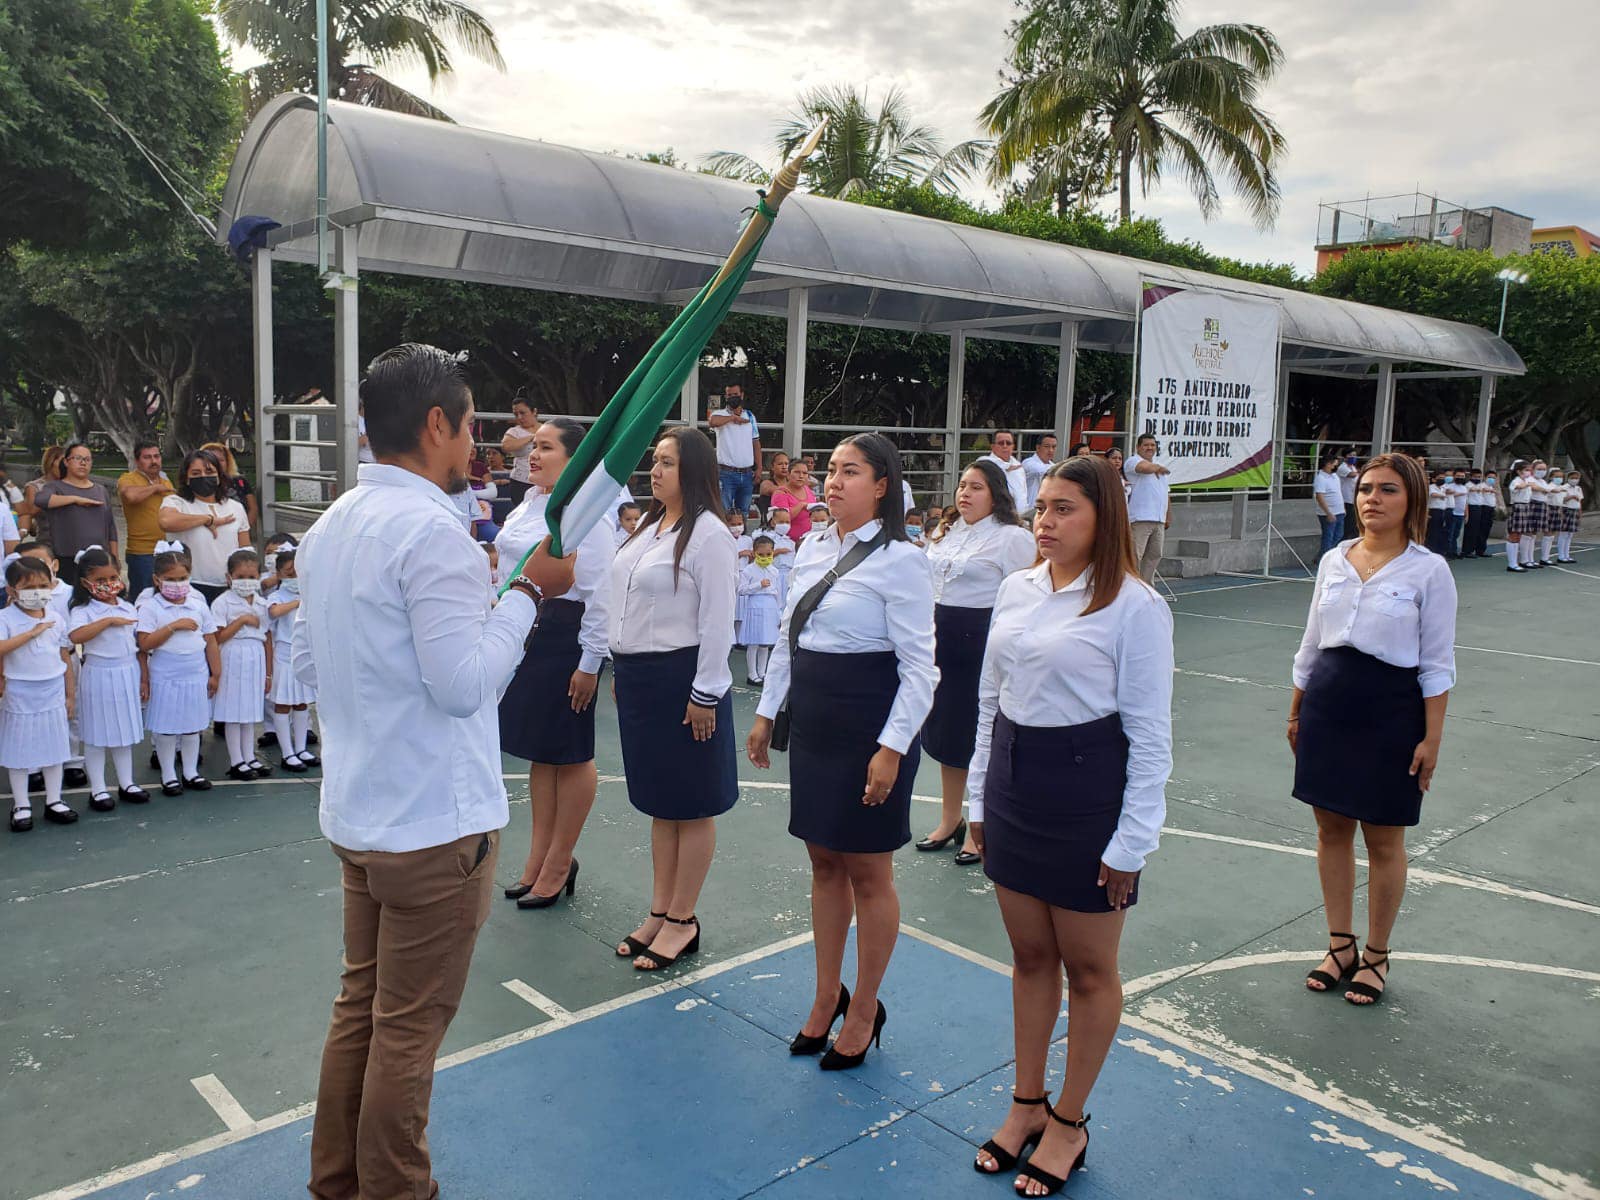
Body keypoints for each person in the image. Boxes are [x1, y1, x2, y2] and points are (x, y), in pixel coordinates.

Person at [293, 344, 573, 1200]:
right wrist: (527, 594)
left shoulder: (329, 528)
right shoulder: (433, 532)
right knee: (407, 1030)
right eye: (470, 423)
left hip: (359, 812)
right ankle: (394, 1189)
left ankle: (338, 1181)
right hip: (433, 825)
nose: (477, 441)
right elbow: (462, 687)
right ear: (437, 423)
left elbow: (305, 665)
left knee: (362, 1008)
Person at [966, 455, 1173, 1194]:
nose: (1045, 522)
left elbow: (1150, 738)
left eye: (1064, 510)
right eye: (1041, 508)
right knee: (1029, 957)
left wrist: (1131, 842)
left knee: (1088, 969)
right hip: (1015, 783)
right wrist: (977, 800)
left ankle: (1069, 1120)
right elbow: (990, 699)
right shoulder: (1017, 588)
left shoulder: (1135, 607)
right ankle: (1026, 1102)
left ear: (1103, 518)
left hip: (1087, 793)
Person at [747, 433, 937, 1071]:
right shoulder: (810, 547)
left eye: (849, 472)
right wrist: (767, 712)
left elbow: (920, 670)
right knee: (824, 862)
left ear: (882, 486)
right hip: (816, 724)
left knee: (869, 872)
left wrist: (892, 748)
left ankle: (865, 1007)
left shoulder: (903, 561)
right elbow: (789, 636)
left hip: (870, 726)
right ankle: (828, 994)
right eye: (830, 470)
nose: (833, 481)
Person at [1291, 453, 1455, 1008]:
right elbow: (1312, 642)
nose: (1372, 499)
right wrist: (1295, 710)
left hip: (1391, 712)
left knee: (1384, 839)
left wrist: (1432, 738)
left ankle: (1377, 954)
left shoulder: (1428, 570)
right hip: (1328, 706)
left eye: (1387, 490)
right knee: (1330, 829)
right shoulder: (1334, 559)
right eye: (1365, 489)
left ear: (1412, 500)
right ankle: (1340, 945)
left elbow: (1437, 663)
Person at [609, 427, 737, 971]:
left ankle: (683, 919)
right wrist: (621, 663)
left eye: (666, 462)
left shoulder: (709, 535)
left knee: (692, 801)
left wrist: (704, 693)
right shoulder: (649, 526)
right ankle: (660, 911)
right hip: (642, 678)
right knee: (662, 803)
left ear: (693, 470)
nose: (654, 470)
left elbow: (717, 621)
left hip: (683, 679)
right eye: (655, 460)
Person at [494, 418, 615, 910]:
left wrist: (590, 662)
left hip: (566, 634)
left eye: (546, 448)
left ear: (574, 459)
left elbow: (601, 593)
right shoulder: (530, 503)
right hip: (527, 631)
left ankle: (560, 861)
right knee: (541, 754)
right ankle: (538, 859)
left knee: (571, 752)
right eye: (534, 447)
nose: (534, 456)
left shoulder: (588, 515)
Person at [916, 461, 1035, 865]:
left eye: (976, 487)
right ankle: (951, 820)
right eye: (962, 485)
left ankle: (982, 825)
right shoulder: (945, 531)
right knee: (948, 735)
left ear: (996, 494)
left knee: (981, 735)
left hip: (981, 642)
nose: (965, 493)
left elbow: (1026, 597)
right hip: (940, 640)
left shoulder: (1011, 538)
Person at [66, 547, 149, 810]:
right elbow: (76, 636)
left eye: (113, 577)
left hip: (126, 672)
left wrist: (143, 677)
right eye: (100, 580)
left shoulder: (127, 606)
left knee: (124, 731)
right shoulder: (83, 610)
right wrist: (107, 621)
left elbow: (138, 645)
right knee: (96, 733)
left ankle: (127, 782)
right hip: (99, 673)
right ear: (85, 582)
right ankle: (98, 789)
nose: (108, 584)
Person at [135, 547, 220, 796]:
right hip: (166, 675)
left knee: (193, 725)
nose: (177, 584)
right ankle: (169, 775)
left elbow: (211, 641)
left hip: (195, 673)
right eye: (170, 579)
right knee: (167, 726)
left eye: (182, 578)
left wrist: (215, 673)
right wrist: (173, 626)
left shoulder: (198, 605)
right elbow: (144, 643)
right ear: (157, 580)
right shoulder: (151, 607)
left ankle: (191, 771)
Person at [1, 556, 77, 831]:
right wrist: (32, 633)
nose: (37, 592)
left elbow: (64, 657)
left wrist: (70, 694)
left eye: (43, 585)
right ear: (12, 590)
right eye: (29, 587)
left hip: (52, 690)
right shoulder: (5, 618)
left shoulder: (56, 618)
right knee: (19, 749)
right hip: (19, 691)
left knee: (54, 747)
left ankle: (54, 800)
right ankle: (21, 804)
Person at [158, 450, 251, 601]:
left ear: (219, 476)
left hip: (229, 587)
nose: (203, 476)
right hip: (190, 586)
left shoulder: (235, 507)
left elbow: (245, 550)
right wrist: (207, 520)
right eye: (195, 473)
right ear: (187, 478)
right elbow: (166, 522)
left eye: (209, 472)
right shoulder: (176, 502)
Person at [211, 549, 272, 780]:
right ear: (229, 577)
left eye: (251, 577)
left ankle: (249, 756)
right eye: (240, 577)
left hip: (255, 656)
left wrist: (268, 673)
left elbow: (267, 638)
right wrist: (243, 620)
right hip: (232, 654)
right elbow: (218, 637)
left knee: (249, 710)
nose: (246, 582)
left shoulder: (262, 604)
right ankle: (236, 760)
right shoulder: (222, 603)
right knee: (233, 710)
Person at [35, 442, 119, 585]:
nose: (83, 463)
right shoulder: (55, 487)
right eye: (78, 458)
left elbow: (110, 526)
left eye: (87, 459)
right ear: (66, 462)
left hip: (99, 559)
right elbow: (41, 500)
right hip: (67, 558)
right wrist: (75, 499)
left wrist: (115, 558)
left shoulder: (100, 490)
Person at [266, 548, 317, 772]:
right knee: (283, 703)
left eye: (298, 572)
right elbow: (274, 612)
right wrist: (297, 602)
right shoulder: (276, 596)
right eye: (289, 573)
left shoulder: (309, 593)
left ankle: (301, 748)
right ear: (279, 574)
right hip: (284, 655)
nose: (294, 577)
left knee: (301, 702)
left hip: (303, 653)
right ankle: (287, 753)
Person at [118, 441, 175, 599]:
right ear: (137, 461)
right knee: (143, 598)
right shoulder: (128, 479)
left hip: (168, 550)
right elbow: (131, 496)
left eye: (156, 456)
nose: (153, 461)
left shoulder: (165, 481)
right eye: (147, 457)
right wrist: (156, 488)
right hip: (142, 552)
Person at [708, 381, 763, 517]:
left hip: (747, 473)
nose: (733, 397)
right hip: (726, 473)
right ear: (726, 397)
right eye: (729, 395)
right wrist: (733, 418)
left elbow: (756, 442)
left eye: (735, 394)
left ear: (742, 395)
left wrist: (759, 468)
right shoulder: (719, 414)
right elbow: (712, 422)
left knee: (743, 513)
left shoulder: (750, 416)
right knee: (723, 512)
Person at [1124, 434, 1171, 584]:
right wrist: (1157, 468)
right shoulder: (1132, 461)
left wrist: (1167, 516)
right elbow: (1144, 468)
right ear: (1138, 447)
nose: (1150, 448)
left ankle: (1147, 588)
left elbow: (1166, 493)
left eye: (1152, 445)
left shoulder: (1159, 466)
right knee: (1135, 556)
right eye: (1146, 445)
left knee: (1154, 555)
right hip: (1140, 519)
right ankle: (1131, 587)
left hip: (1159, 520)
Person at [738, 534, 785, 684]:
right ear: (754, 553)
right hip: (755, 606)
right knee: (754, 642)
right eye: (761, 554)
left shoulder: (774, 571)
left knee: (765, 642)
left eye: (768, 554)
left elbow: (778, 594)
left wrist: (780, 613)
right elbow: (741, 590)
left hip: (770, 607)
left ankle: (762, 672)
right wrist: (758, 585)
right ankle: (752, 674)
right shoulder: (748, 570)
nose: (765, 557)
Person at [201, 442, 260, 536]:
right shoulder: (199, 482)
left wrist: (243, 530)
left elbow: (253, 508)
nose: (217, 463)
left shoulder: (240, 481)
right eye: (212, 459)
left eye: (221, 460)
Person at [19, 446, 66, 542]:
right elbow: (30, 512)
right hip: (47, 541)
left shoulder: (69, 484)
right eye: (62, 462)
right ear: (51, 462)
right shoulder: (34, 487)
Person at [501, 394, 539, 506]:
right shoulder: (514, 432)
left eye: (523, 413)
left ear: (534, 411)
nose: (519, 417)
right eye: (516, 414)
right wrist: (531, 437)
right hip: (521, 481)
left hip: (543, 480)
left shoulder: (547, 428)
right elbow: (506, 446)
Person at [979, 430, 1030, 514]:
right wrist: (1007, 467)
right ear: (993, 446)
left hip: (1019, 516)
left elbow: (1023, 496)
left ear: (1013, 446)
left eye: (1008, 443)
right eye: (1001, 443)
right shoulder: (983, 465)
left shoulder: (1018, 468)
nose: (1005, 446)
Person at [772, 461, 818, 542]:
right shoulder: (781, 493)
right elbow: (781, 519)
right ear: (788, 474)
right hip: (788, 542)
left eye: (805, 473)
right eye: (797, 472)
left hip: (810, 540)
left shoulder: (807, 489)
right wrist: (801, 505)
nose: (801, 476)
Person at [1505, 460, 1536, 571]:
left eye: (1530, 470)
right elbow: (1516, 487)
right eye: (1526, 470)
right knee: (1514, 535)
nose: (1529, 472)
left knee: (1520, 535)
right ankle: (1512, 564)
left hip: (1526, 507)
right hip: (1518, 507)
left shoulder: (1526, 481)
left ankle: (1518, 562)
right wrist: (1527, 484)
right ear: (1518, 471)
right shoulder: (1516, 481)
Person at [1313, 452, 1345, 558]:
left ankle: (1325, 556)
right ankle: (1324, 558)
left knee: (1338, 535)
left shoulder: (1334, 476)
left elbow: (1337, 492)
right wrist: (1328, 513)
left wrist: (1342, 509)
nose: (1336, 467)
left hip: (1339, 511)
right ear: (1328, 464)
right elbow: (1319, 496)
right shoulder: (1321, 478)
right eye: (1334, 464)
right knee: (1328, 537)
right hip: (1329, 513)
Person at [1022, 434, 1057, 510]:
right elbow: (1039, 470)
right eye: (1047, 446)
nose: (1051, 450)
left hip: (1046, 509)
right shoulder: (1028, 463)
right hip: (1029, 510)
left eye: (1053, 447)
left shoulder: (1054, 466)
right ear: (1038, 447)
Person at [1537, 464, 1563, 566]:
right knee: (1548, 534)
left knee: (1552, 535)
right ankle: (1544, 558)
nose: (1559, 478)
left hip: (1557, 509)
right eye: (1556, 476)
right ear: (1551, 477)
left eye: (1561, 477)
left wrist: (1560, 511)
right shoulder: (1549, 487)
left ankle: (1546, 557)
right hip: (1549, 509)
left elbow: (1560, 501)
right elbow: (1545, 499)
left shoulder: (1560, 487)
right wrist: (1546, 511)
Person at [1462, 466, 1491, 559]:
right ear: (1471, 476)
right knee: (1471, 530)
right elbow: (1469, 492)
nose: (1477, 479)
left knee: (1478, 530)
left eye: (1479, 477)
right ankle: (1467, 550)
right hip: (1472, 507)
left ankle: (1477, 549)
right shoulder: (1468, 485)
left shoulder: (1481, 485)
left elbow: (1486, 489)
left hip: (1480, 507)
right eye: (1475, 477)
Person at [1557, 469, 1583, 563]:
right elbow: (1560, 500)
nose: (1574, 480)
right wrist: (1571, 497)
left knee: (1570, 534)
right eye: (1572, 478)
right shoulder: (1563, 487)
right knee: (1563, 533)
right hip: (1566, 510)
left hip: (1575, 510)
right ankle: (1561, 556)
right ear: (1568, 478)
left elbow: (1579, 501)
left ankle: (1567, 555)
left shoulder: (1578, 488)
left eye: (1576, 478)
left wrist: (1580, 513)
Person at [1444, 468, 1468, 559]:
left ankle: (1454, 551)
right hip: (1452, 513)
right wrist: (1457, 494)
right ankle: (1448, 552)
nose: (1460, 478)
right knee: (1449, 534)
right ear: (1454, 476)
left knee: (1456, 534)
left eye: (1462, 476)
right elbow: (1446, 495)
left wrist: (1466, 513)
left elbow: (1465, 501)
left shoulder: (1464, 487)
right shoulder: (1449, 486)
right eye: (1458, 476)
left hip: (1460, 514)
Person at [758, 451, 791, 515]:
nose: (784, 467)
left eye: (786, 464)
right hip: (770, 520)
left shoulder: (791, 483)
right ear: (772, 467)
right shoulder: (766, 483)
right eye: (780, 464)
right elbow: (767, 488)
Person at [1339, 451, 1360, 541]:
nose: (1353, 457)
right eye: (1350, 455)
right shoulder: (1342, 467)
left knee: (1354, 523)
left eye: (1354, 455)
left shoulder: (1353, 467)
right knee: (1348, 523)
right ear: (1345, 457)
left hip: (1353, 498)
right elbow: (1351, 475)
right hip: (1346, 499)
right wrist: (1361, 471)